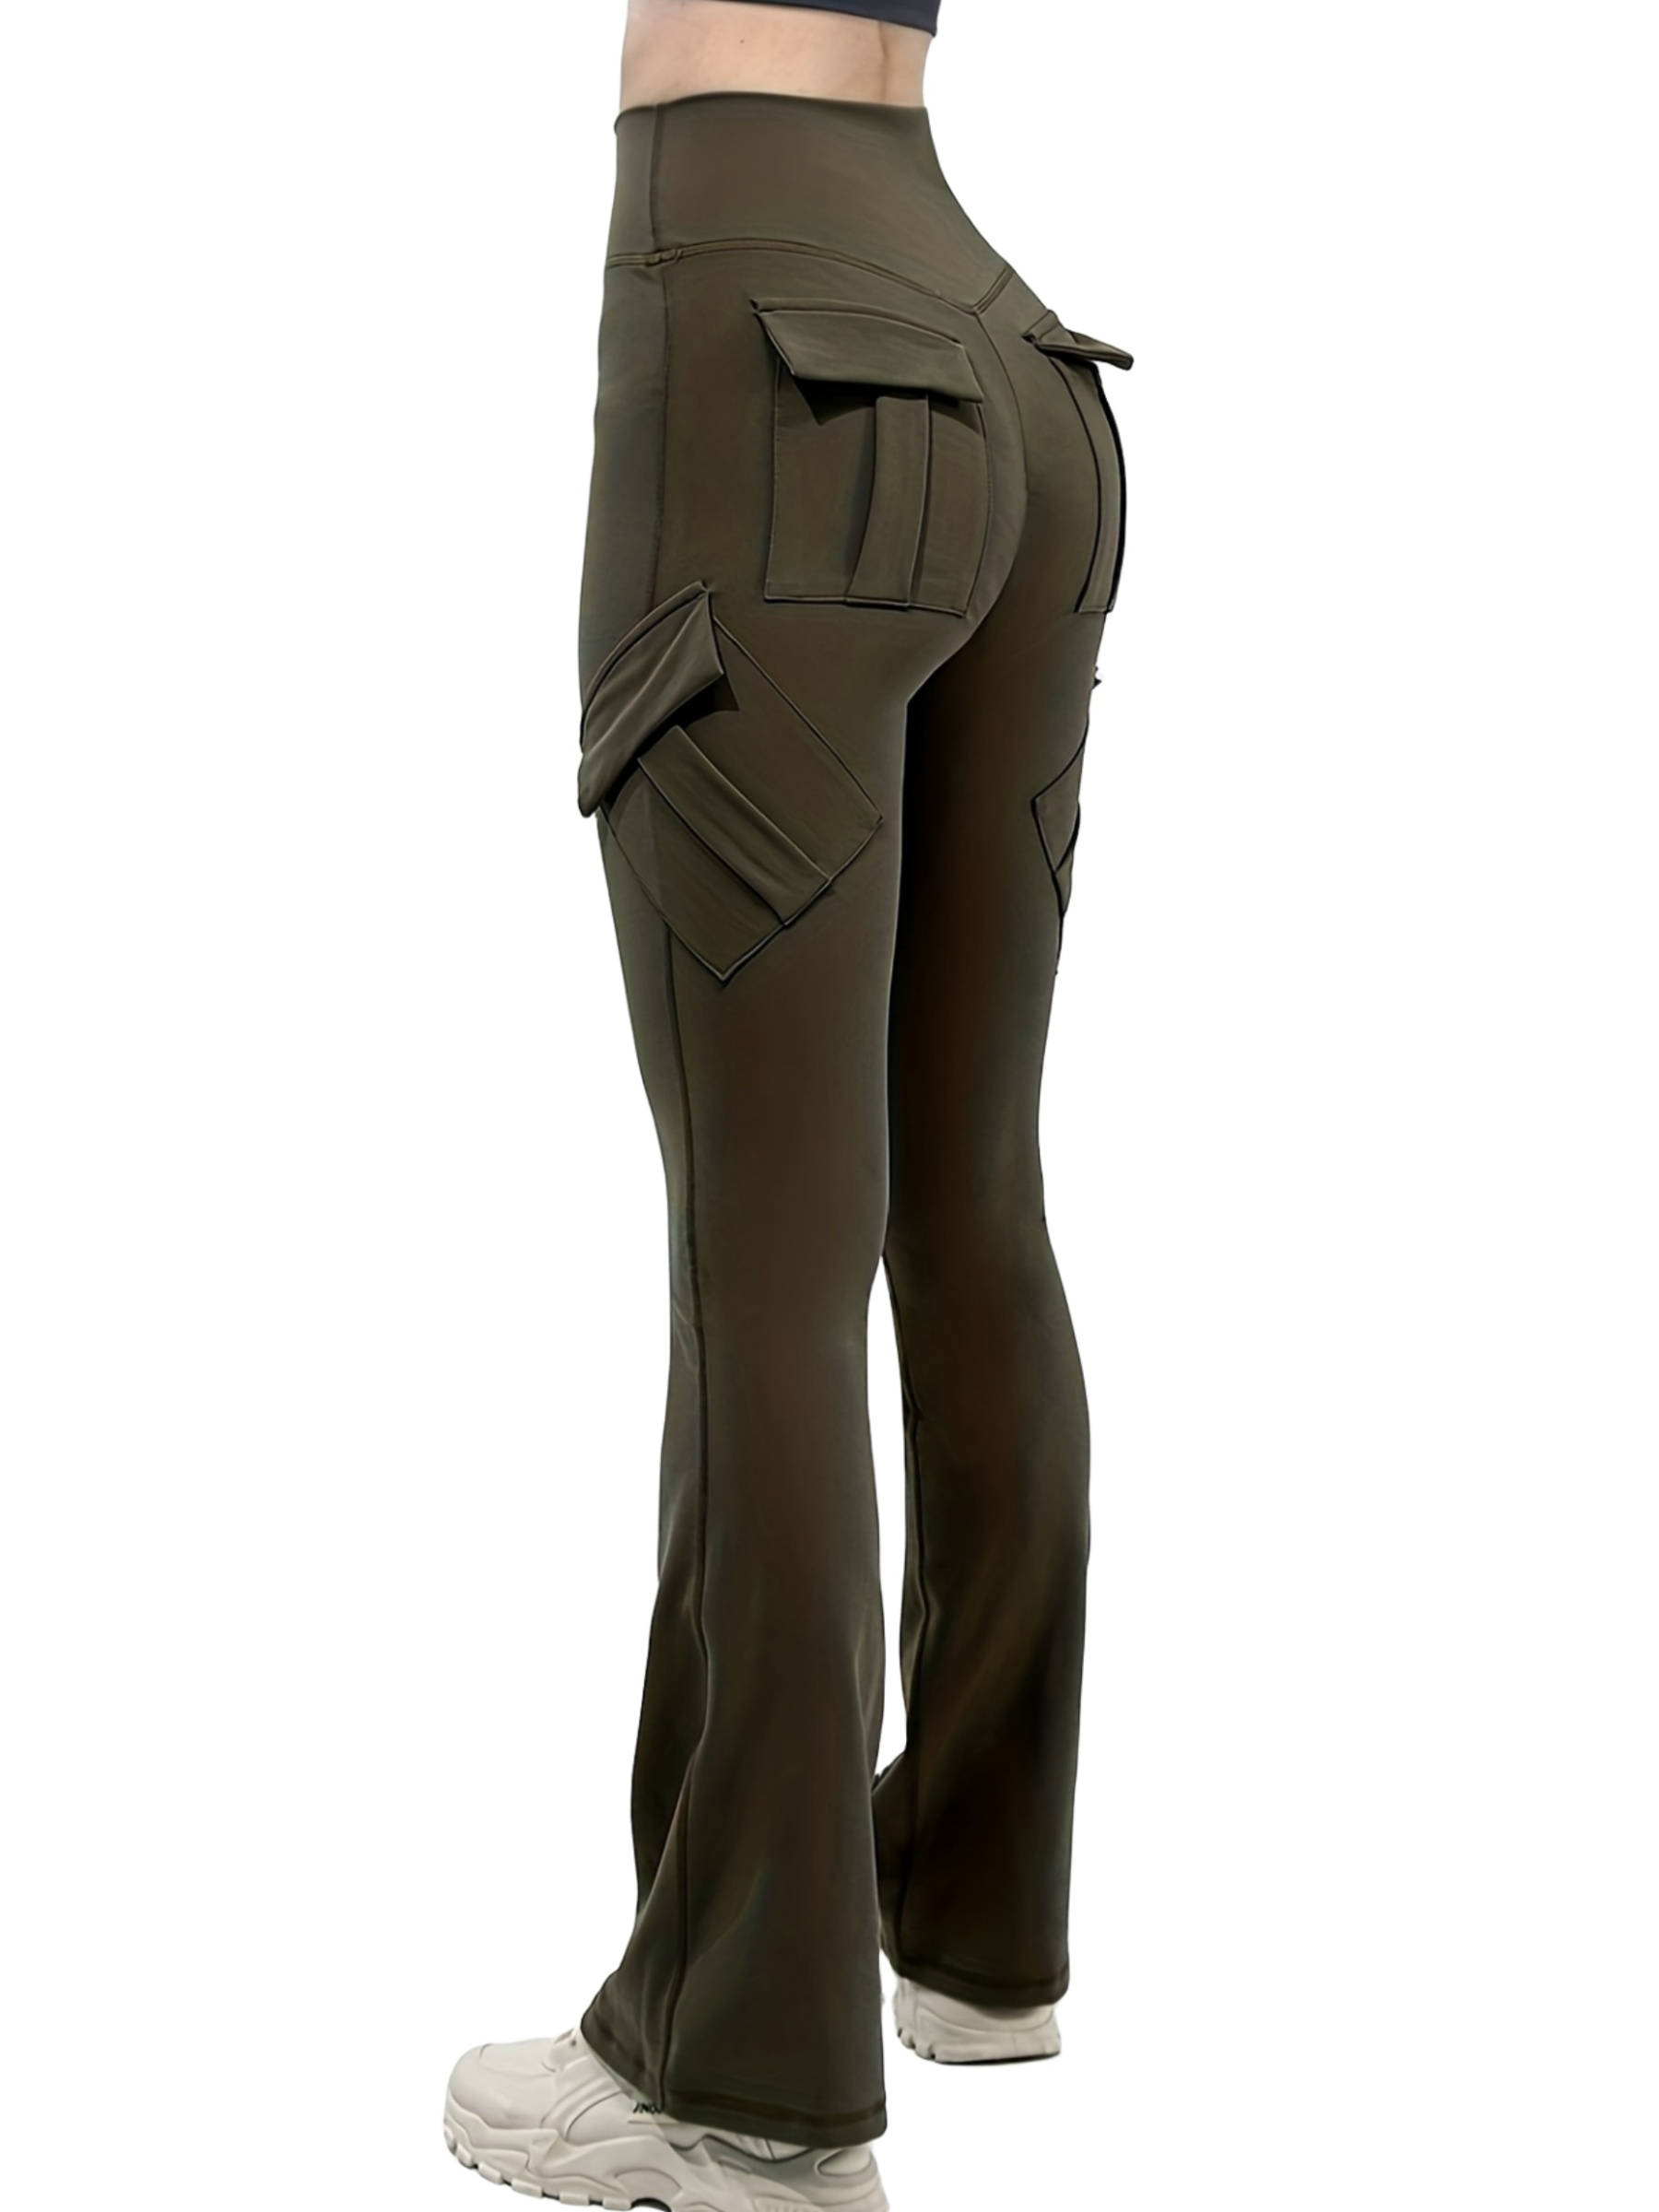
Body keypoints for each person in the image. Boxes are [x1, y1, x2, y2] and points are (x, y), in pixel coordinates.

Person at [442, 3, 1131, 2204]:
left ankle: (738, 2075)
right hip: (1010, 355)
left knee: (767, 1258)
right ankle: (974, 1921)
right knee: (968, 1196)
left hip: (767, 331)